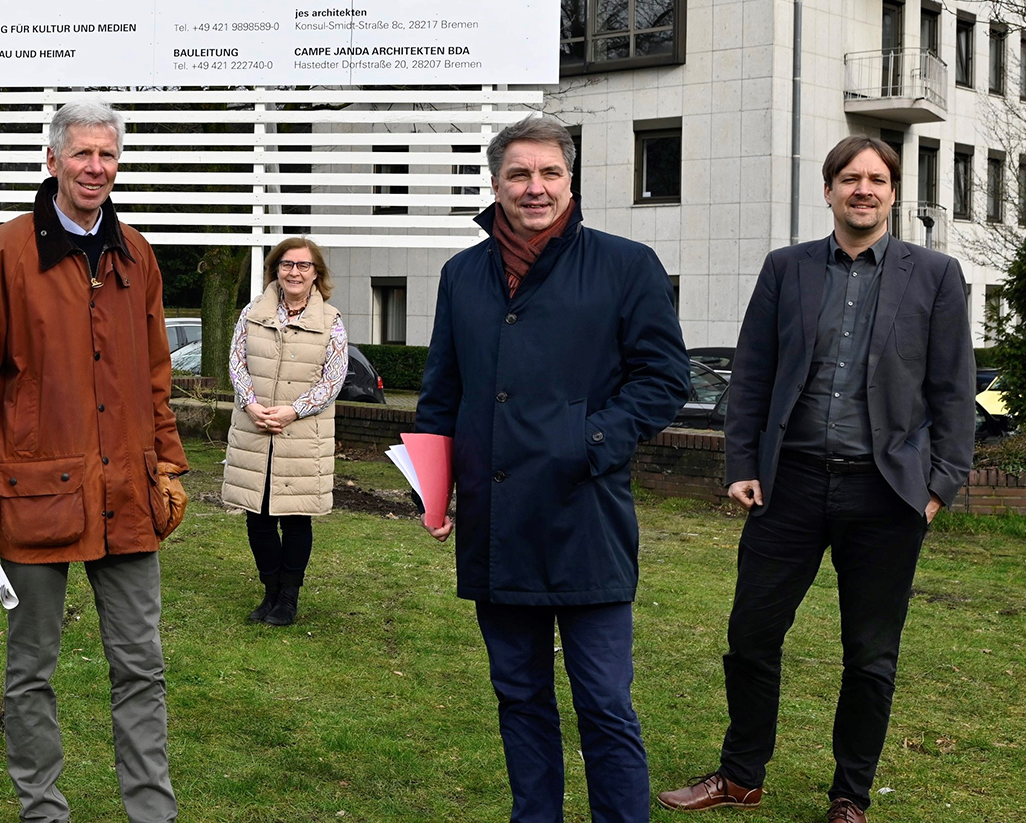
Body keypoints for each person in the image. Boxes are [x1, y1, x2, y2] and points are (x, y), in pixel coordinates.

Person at [657, 137, 975, 823]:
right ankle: (741, 777)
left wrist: (940, 484)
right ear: (828, 190)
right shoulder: (787, 270)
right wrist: (741, 464)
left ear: (894, 193)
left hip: (886, 494)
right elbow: (753, 375)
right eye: (851, 178)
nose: (865, 189)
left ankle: (849, 797)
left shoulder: (937, 275)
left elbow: (954, 390)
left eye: (878, 179)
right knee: (751, 637)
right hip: (789, 485)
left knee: (869, 655)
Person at [414, 113, 689, 823]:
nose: (535, 188)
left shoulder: (627, 265)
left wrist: (588, 441)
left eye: (549, 174)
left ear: (570, 180)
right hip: (495, 519)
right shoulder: (461, 275)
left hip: (586, 516)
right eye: (519, 174)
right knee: (520, 696)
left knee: (603, 701)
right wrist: (433, 488)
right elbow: (442, 393)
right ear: (496, 183)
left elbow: (663, 381)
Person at [0, 100, 190, 823]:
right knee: (31, 672)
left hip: (129, 494)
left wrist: (166, 463)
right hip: (34, 493)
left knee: (142, 667)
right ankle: (43, 811)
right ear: (52, 161)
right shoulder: (10, 249)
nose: (95, 168)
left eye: (107, 156)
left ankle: (152, 812)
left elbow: (155, 376)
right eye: (81, 154)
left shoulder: (136, 253)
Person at [220, 237, 346, 627]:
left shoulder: (332, 322)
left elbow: (333, 378)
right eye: (287, 265)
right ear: (276, 269)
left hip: (302, 435)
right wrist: (251, 403)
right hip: (254, 429)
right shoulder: (251, 314)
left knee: (295, 518)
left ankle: (288, 598)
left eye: (303, 266)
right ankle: (270, 591)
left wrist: (294, 410)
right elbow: (236, 361)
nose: (295, 272)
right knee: (256, 519)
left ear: (316, 274)